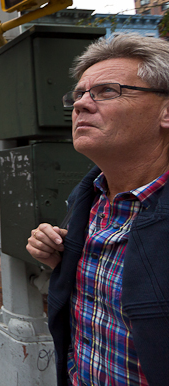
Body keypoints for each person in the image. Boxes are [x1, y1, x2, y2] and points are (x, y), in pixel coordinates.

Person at [25, 34, 169, 385]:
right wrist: (60, 261)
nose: (80, 105)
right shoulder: (88, 201)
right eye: (79, 94)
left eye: (107, 91)